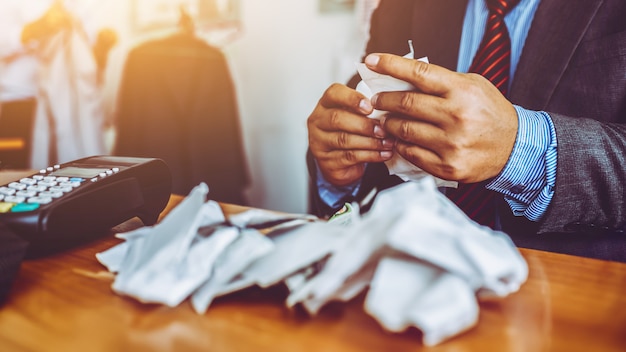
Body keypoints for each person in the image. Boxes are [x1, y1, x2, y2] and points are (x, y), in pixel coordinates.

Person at [306, 0, 626, 261]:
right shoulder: (401, 6)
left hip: (577, 296)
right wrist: (339, 170)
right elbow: (363, 129)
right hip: (410, 281)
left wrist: (520, 149)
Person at [0, 0, 117, 169]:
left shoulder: (82, 6)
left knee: (73, 180)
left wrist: (102, 49)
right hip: (23, 103)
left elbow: (89, 70)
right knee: (23, 179)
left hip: (72, 108)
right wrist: (37, 28)